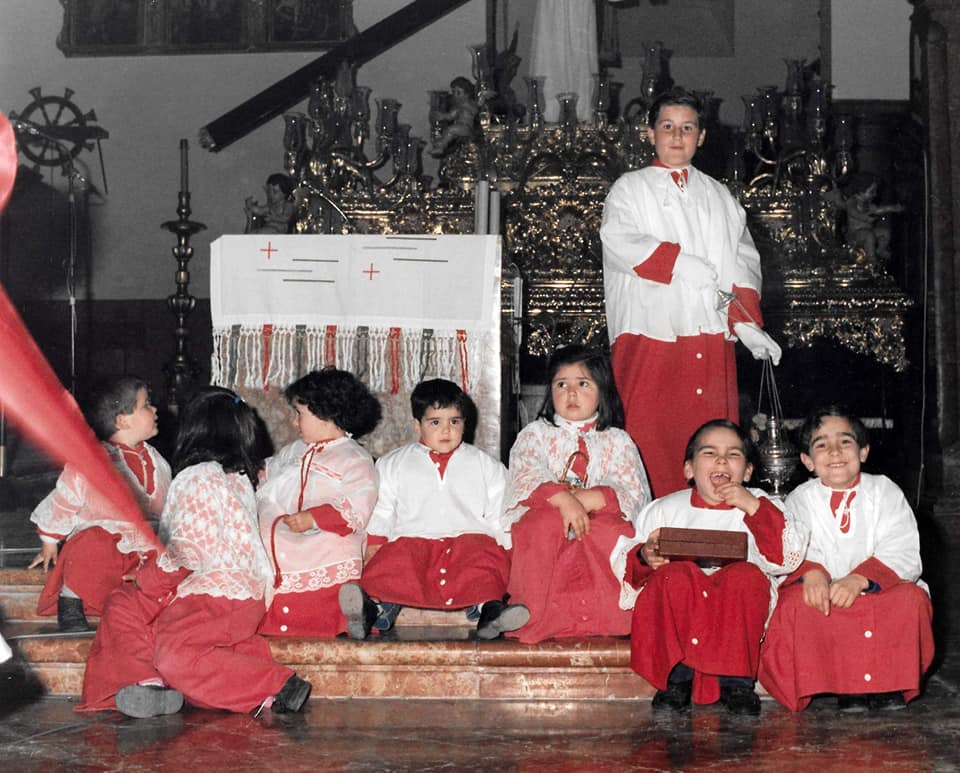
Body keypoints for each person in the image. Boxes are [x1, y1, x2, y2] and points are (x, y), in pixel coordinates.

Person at [78, 387, 311, 718]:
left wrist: (151, 578)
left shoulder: (196, 477)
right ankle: (149, 684)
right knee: (125, 605)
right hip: (238, 595)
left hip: (214, 592)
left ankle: (277, 684)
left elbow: (190, 551)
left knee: (173, 651)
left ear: (194, 430)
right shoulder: (237, 478)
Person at [600, 86, 781, 498]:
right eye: (667, 126)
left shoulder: (719, 196)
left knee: (711, 441)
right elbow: (619, 240)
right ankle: (650, 533)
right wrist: (680, 263)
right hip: (652, 332)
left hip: (710, 334)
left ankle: (709, 534)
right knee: (649, 436)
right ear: (650, 133)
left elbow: (742, 262)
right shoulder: (630, 189)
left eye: (687, 127)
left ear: (701, 136)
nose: (677, 136)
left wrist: (748, 325)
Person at [612, 419, 808, 715]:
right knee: (674, 575)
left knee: (746, 577)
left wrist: (753, 508)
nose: (721, 460)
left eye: (733, 454)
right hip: (684, 601)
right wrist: (645, 555)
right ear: (689, 470)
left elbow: (784, 556)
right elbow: (628, 555)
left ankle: (737, 682)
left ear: (748, 471)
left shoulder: (760, 503)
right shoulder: (666, 509)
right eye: (709, 453)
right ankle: (676, 679)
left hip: (734, 604)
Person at [758, 406, 935, 713]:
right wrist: (811, 573)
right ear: (807, 461)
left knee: (911, 600)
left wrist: (860, 579)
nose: (835, 452)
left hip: (878, 588)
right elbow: (793, 543)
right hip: (825, 588)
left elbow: (902, 546)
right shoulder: (801, 497)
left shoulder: (884, 490)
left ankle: (887, 684)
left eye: (845, 442)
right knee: (796, 606)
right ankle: (844, 685)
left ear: (863, 452)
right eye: (822, 444)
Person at [339, 378, 527, 640]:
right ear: (418, 425)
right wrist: (375, 544)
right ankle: (374, 609)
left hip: (469, 540)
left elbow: (499, 512)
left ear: (465, 423)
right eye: (435, 422)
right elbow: (382, 510)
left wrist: (508, 549)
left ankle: (490, 612)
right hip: (412, 540)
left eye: (455, 421)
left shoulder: (486, 465)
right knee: (390, 569)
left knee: (484, 569)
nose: (446, 430)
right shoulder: (393, 463)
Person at [505, 345, 651, 643]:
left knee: (612, 533)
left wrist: (584, 501)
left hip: (600, 512)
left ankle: (611, 616)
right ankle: (534, 615)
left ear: (602, 390)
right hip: (548, 509)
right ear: (550, 391)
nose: (571, 393)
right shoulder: (535, 434)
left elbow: (629, 487)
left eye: (582, 383)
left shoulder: (617, 439)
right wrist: (563, 500)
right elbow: (527, 470)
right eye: (562, 384)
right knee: (540, 527)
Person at [28, 376, 171, 632]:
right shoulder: (93, 459)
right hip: (104, 538)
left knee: (163, 558)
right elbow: (65, 499)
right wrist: (50, 540)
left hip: (143, 541)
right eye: (147, 405)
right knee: (92, 544)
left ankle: (133, 605)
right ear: (122, 420)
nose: (155, 409)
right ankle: (71, 599)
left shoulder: (158, 459)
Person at [257, 368, 381, 638]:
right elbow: (268, 473)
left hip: (327, 537)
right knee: (265, 541)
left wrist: (315, 518)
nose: (293, 422)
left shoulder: (353, 457)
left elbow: (360, 502)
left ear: (327, 415)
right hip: (288, 533)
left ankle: (350, 613)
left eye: (300, 414)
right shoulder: (294, 450)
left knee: (333, 546)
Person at [429, 77, 479, 156]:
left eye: (458, 93)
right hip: (460, 127)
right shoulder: (458, 107)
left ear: (467, 94)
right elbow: (450, 116)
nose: (455, 95)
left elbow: (476, 111)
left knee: (450, 130)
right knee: (448, 132)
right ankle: (440, 145)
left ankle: (440, 146)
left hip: (466, 127)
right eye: (453, 92)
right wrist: (442, 116)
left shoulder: (469, 105)